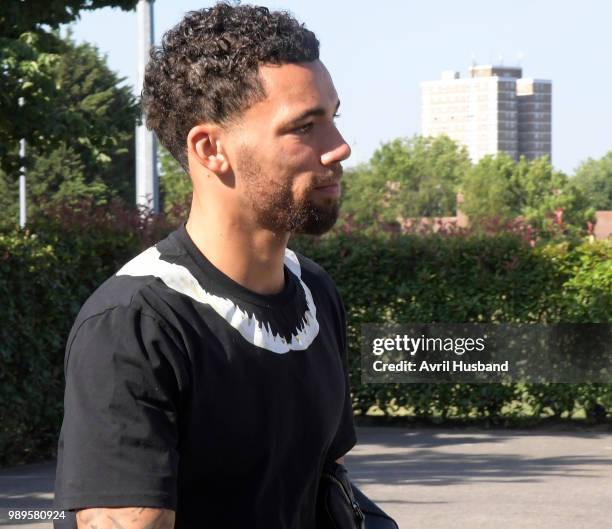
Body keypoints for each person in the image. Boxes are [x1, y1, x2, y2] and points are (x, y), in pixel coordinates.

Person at [53, 3, 356, 529]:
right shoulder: (135, 324)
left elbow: (323, 486)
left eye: (333, 117)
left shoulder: (314, 294)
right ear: (211, 148)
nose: (339, 148)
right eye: (305, 127)